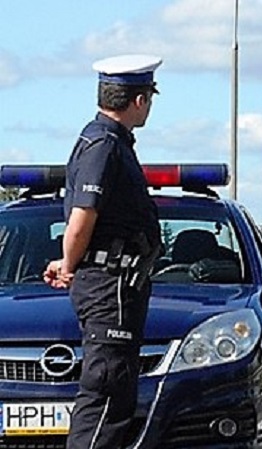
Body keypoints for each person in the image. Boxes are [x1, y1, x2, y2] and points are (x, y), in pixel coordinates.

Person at [43, 54, 163, 449]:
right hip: (110, 285)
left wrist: (67, 261)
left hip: (113, 283)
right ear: (140, 101)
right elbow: (83, 217)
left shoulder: (105, 142)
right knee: (106, 393)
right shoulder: (104, 146)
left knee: (114, 394)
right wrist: (70, 263)